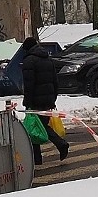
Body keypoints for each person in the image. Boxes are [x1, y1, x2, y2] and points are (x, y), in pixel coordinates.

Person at [21, 37, 69, 165]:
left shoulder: (29, 61)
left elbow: (29, 85)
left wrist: (27, 101)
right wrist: (52, 99)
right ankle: (37, 159)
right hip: (47, 99)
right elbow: (55, 81)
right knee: (35, 128)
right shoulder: (48, 59)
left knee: (36, 128)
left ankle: (61, 144)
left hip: (36, 101)